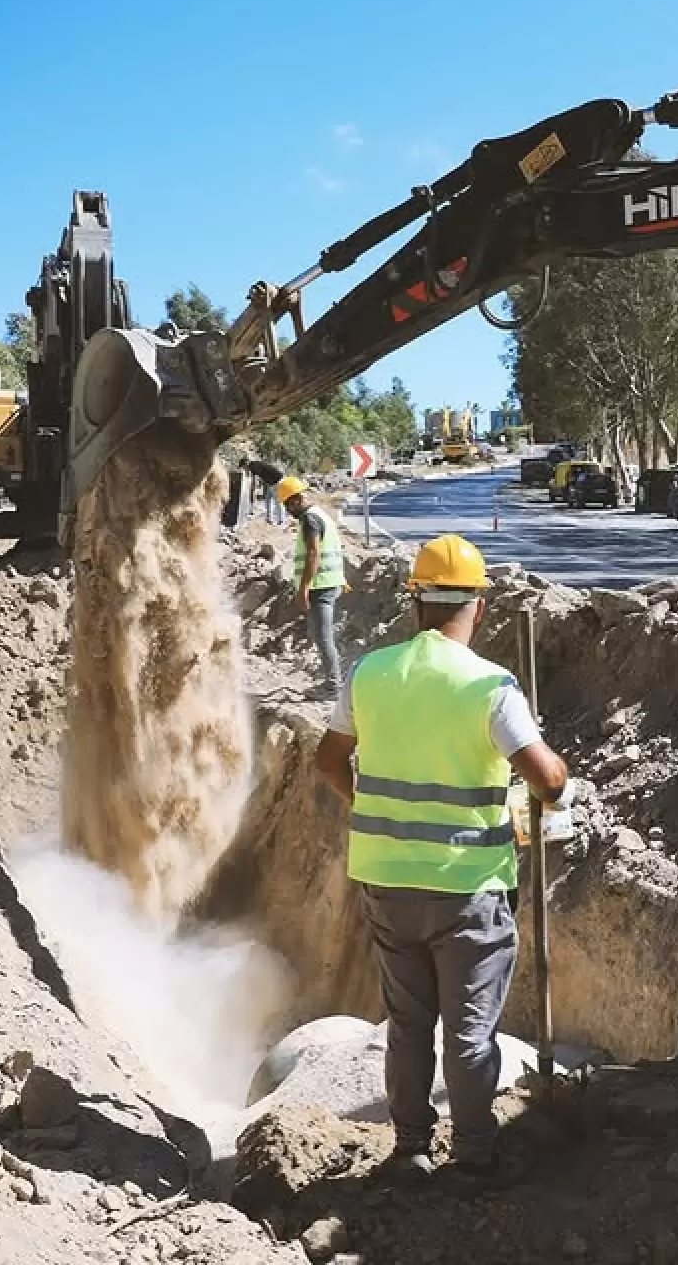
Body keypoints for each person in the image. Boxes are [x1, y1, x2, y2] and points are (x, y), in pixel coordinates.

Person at [313, 534, 571, 1190]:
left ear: (415, 601)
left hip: (387, 882)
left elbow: (327, 761)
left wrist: (375, 805)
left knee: (408, 1025)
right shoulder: (491, 686)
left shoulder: (369, 672)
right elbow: (547, 780)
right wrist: (553, 780)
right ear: (478, 607)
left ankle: (410, 1150)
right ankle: (476, 1156)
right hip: (468, 889)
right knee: (469, 1033)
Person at [277, 476, 344, 694]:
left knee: (323, 636)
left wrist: (304, 588)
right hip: (327, 583)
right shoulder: (320, 514)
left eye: (287, 506)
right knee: (320, 634)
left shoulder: (310, 520)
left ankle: (333, 685)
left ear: (295, 501)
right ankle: (332, 681)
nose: (288, 511)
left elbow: (314, 553)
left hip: (320, 587)